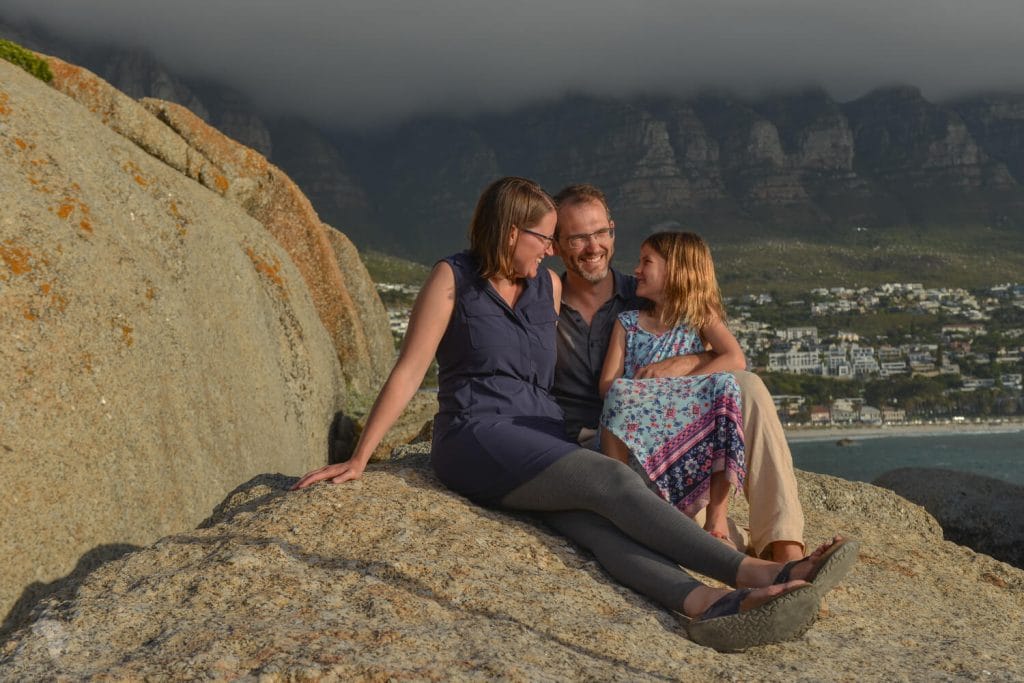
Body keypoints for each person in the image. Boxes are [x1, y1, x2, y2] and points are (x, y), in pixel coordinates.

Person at [292, 176, 859, 652]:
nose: (554, 249)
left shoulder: (549, 284)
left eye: (584, 236)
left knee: (598, 528)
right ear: (512, 232)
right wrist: (361, 457)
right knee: (610, 479)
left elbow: (710, 325)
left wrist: (678, 358)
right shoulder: (454, 278)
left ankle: (711, 606)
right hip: (478, 433)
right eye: (548, 238)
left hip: (544, 438)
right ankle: (759, 573)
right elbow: (412, 370)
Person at [551, 184, 806, 563]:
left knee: (747, 385)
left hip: (664, 433)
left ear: (612, 231)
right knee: (696, 531)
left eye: (601, 233)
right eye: (578, 238)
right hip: (593, 444)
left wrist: (682, 364)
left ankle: (785, 545)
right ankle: (734, 549)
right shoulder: (543, 304)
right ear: (554, 245)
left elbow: (723, 352)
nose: (593, 246)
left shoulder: (644, 294)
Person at [598, 231, 747, 545]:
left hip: (683, 430)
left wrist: (678, 386)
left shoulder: (697, 316)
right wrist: (647, 395)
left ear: (675, 271)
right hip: (640, 431)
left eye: (646, 262)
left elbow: (735, 358)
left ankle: (717, 516)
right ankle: (621, 500)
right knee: (619, 393)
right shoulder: (627, 323)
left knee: (725, 385)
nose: (636, 269)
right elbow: (607, 386)